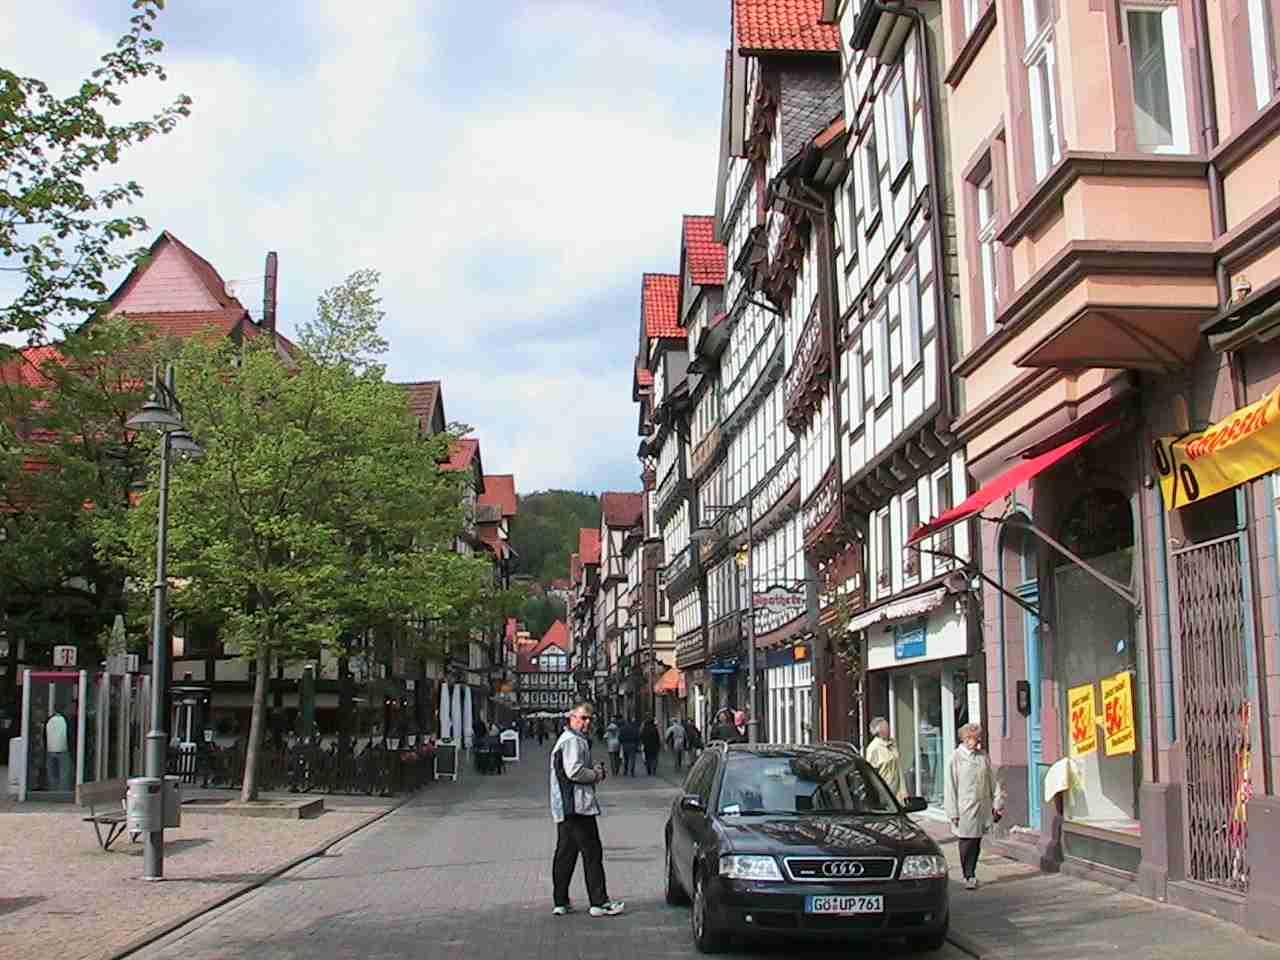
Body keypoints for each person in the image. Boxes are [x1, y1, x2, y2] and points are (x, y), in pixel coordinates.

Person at [550, 701, 624, 918]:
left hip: (565, 806)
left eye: (590, 718)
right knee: (592, 853)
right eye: (583, 718)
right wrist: (595, 774)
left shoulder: (568, 739)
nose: (587, 722)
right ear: (572, 718)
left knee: (566, 854)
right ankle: (599, 902)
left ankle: (560, 901)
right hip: (578, 806)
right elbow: (573, 771)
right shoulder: (573, 741)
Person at [944, 723, 1005, 890]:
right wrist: (952, 811)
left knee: (976, 839)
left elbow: (992, 780)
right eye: (973, 738)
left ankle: (972, 871)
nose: (977, 741)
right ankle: (967, 874)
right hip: (964, 806)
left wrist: (997, 802)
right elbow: (950, 786)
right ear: (965, 738)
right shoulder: (955, 758)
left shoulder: (982, 756)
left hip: (982, 805)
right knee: (966, 840)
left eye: (978, 737)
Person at [864, 716, 906, 800]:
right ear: (878, 731)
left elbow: (898, 767)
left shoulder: (892, 743)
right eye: (884, 728)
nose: (888, 730)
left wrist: (904, 791)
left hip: (898, 791)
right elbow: (870, 773)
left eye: (887, 727)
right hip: (884, 792)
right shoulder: (873, 748)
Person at [45, 704, 71, 791]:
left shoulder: (49, 719)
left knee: (52, 774)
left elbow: (44, 735)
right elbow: (69, 735)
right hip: (63, 749)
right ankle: (63, 792)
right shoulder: (66, 720)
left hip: (50, 749)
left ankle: (52, 791)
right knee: (64, 773)